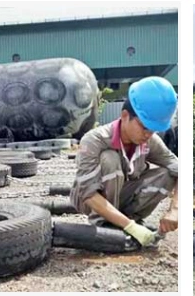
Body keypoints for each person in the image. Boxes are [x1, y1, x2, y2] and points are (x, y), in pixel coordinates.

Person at [69, 76, 179, 247]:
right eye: (145, 127)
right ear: (125, 116)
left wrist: (175, 211)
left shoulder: (150, 140)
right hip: (89, 198)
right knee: (109, 158)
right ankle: (105, 224)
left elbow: (180, 170)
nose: (148, 135)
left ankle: (130, 219)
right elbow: (88, 194)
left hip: (122, 194)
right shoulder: (94, 140)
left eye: (154, 130)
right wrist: (130, 227)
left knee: (167, 174)